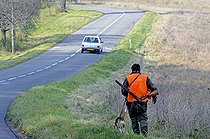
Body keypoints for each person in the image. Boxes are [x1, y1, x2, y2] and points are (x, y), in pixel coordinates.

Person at [121, 63, 158, 137]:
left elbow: (123, 92)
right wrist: (150, 96)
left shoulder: (128, 78)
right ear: (139, 70)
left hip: (131, 103)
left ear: (132, 70)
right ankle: (144, 135)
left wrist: (128, 94)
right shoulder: (145, 78)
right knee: (143, 118)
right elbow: (155, 90)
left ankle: (136, 136)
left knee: (134, 119)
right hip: (142, 102)